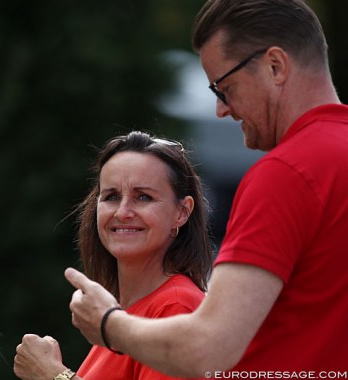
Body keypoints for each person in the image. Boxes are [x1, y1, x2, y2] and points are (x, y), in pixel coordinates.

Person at [64, 0, 348, 376]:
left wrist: (107, 324)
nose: (222, 111)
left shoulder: (289, 171)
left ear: (275, 66)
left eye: (224, 88)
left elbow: (207, 348)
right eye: (110, 195)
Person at [13, 131, 213, 379]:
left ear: (181, 212)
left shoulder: (176, 306)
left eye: (143, 197)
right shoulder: (118, 316)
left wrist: (52, 375)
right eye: (111, 196)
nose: (123, 211)